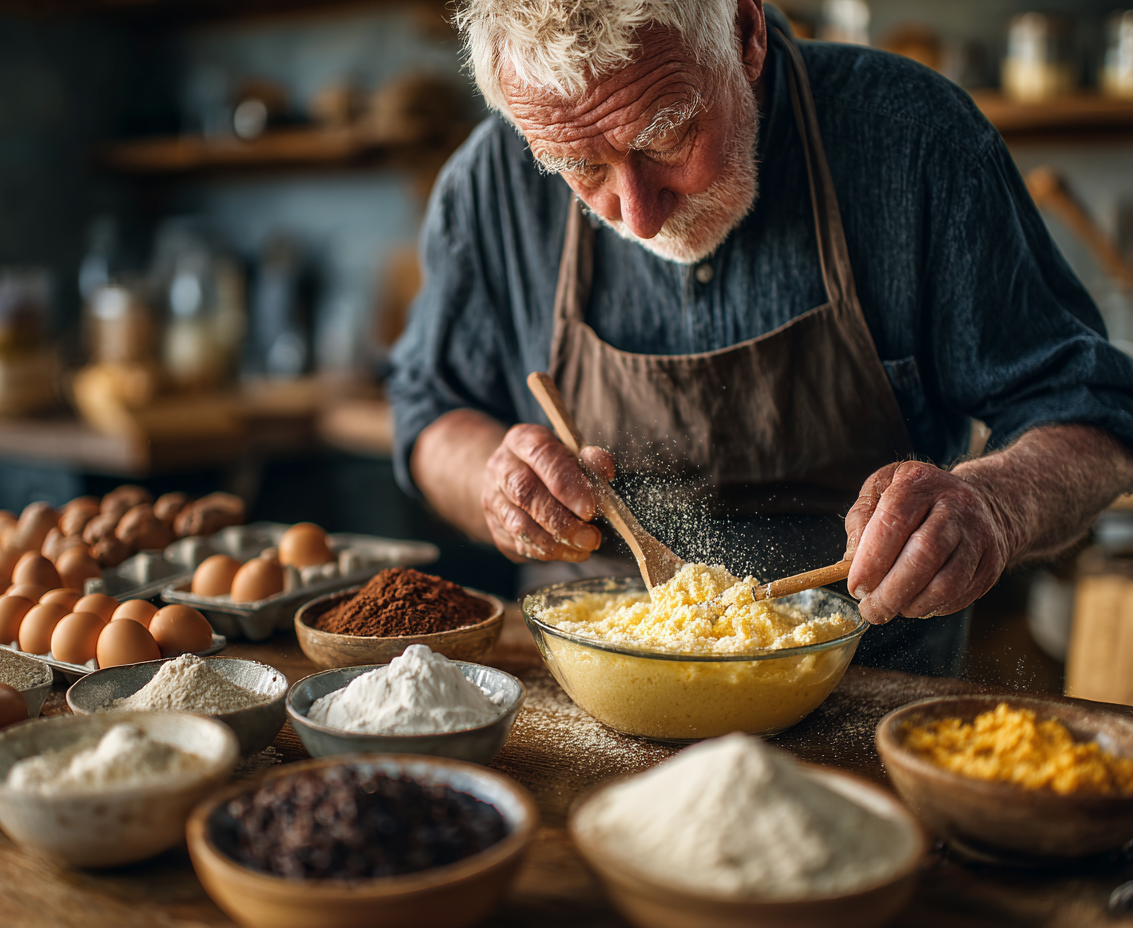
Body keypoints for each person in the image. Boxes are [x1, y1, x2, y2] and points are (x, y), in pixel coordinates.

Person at [388, 0, 1133, 675]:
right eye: (581, 167)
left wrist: (994, 506)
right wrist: (495, 482)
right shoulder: (489, 182)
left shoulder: (917, 140)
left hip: (870, 693)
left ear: (745, 34)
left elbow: (1092, 414)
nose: (637, 216)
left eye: (666, 138)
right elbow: (429, 414)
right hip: (591, 698)